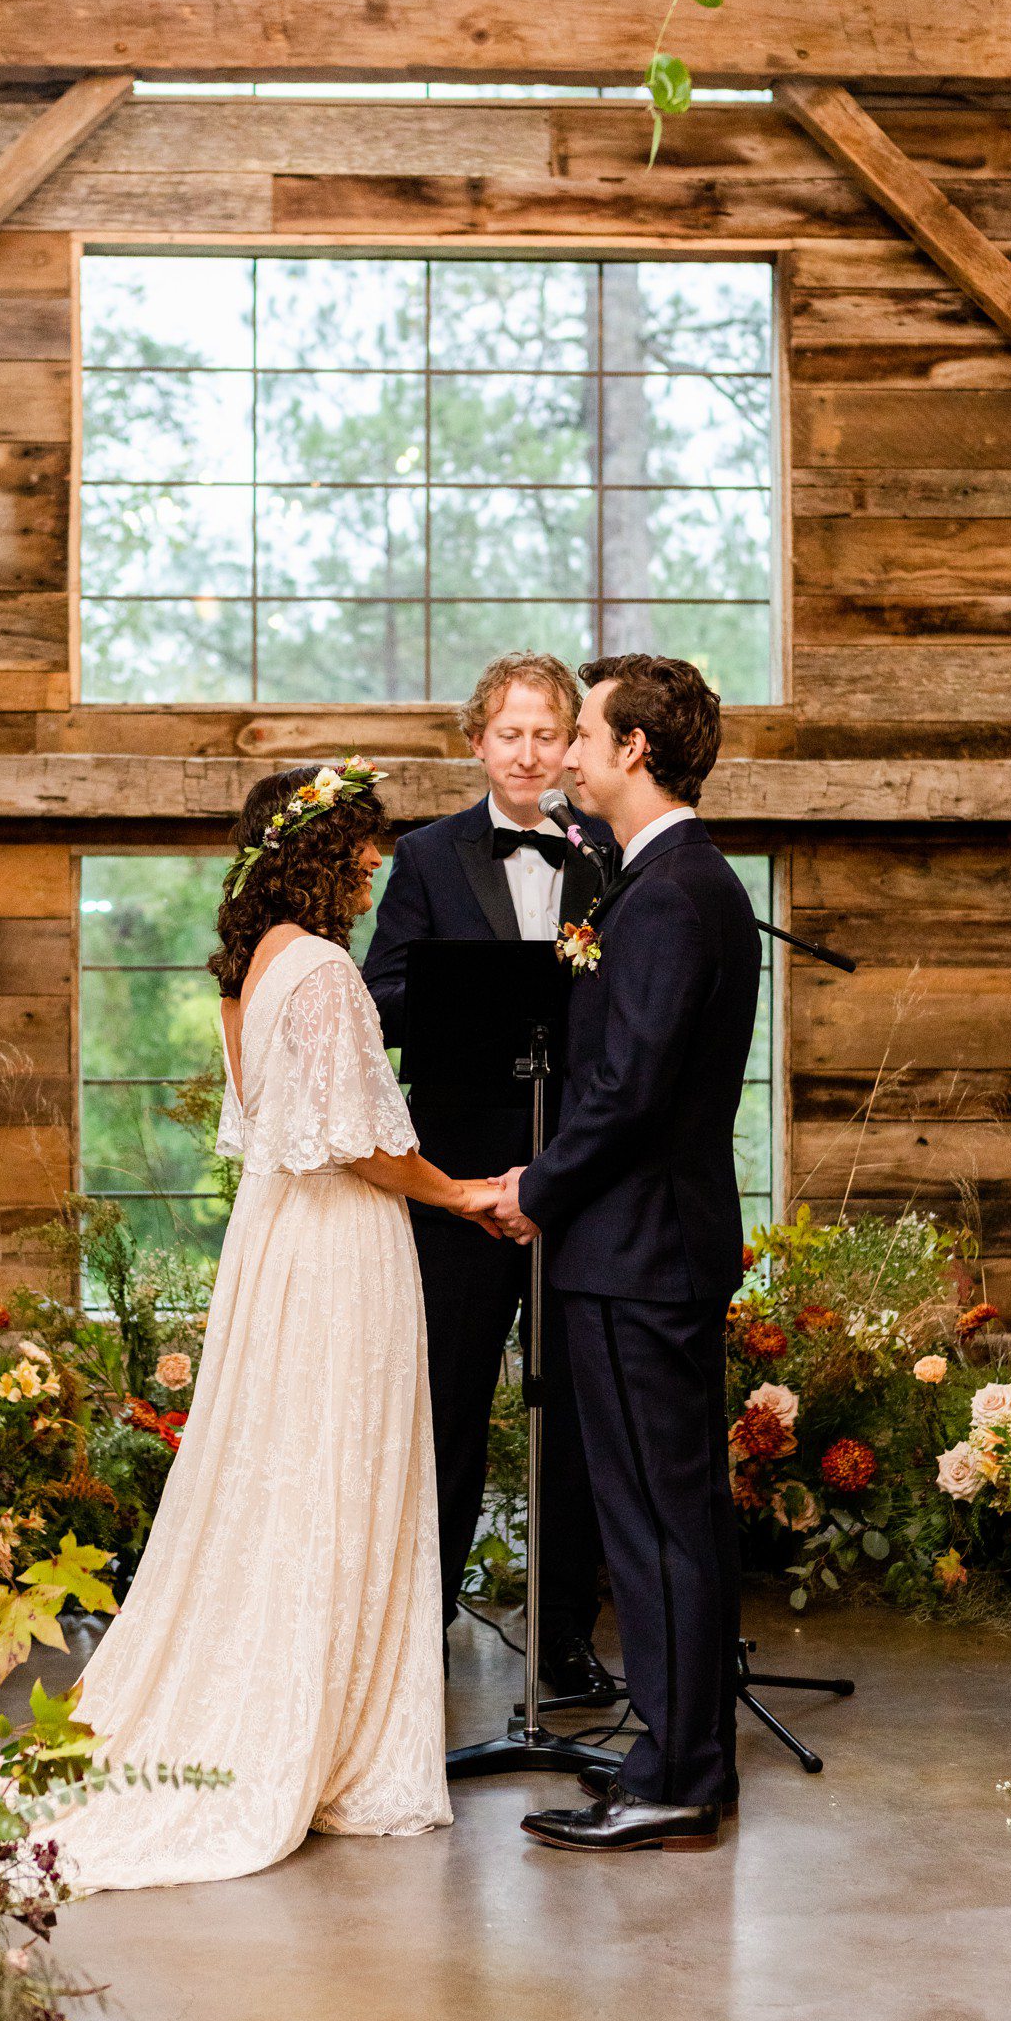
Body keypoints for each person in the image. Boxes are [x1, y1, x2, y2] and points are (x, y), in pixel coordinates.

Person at [52, 758, 500, 1892]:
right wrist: (459, 1193)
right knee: (338, 1472)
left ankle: (305, 1709)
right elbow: (357, 1141)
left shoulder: (247, 974)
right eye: (358, 841)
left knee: (284, 1473)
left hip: (274, 1248)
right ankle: (328, 1747)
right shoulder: (328, 975)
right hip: (340, 1248)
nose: (373, 860)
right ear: (311, 852)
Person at [492, 655, 761, 1855]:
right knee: (674, 1518)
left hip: (636, 1252)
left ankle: (680, 1775)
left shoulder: (669, 895)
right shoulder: (674, 883)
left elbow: (631, 1090)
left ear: (635, 749)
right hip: (653, 1245)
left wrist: (538, 1190)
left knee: (656, 1524)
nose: (570, 753)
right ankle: (680, 1755)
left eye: (588, 731)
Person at [363, 653, 615, 1703]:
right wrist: (472, 997)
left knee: (575, 1416)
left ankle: (563, 1638)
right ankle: (421, 1627)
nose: (527, 752)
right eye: (507, 734)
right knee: (449, 1406)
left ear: (572, 747)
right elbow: (378, 999)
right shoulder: (424, 858)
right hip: (458, 1182)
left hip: (577, 1176)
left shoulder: (606, 855)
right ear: (478, 744)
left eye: (547, 734)